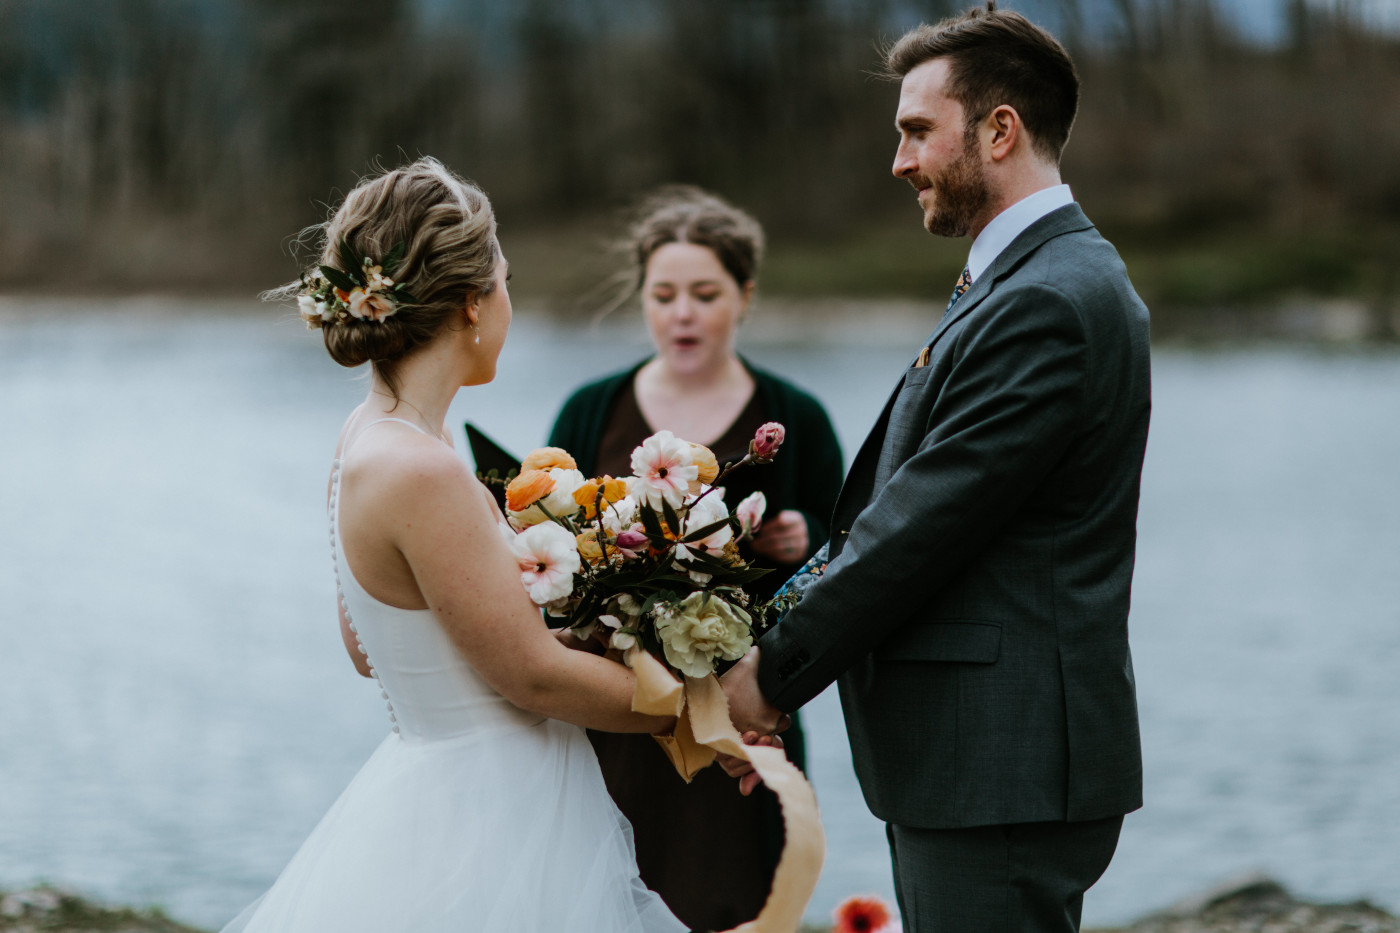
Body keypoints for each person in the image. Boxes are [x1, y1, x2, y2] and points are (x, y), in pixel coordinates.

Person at [721, 5, 1150, 932]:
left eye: (919, 131)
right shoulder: (1026, 280)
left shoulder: (1050, 301)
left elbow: (916, 527)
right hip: (980, 765)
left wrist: (764, 675)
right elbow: (890, 520)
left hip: (1000, 768)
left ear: (1001, 130)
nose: (900, 160)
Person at [224, 158, 686, 933]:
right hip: (491, 815)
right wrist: (692, 707)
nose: (511, 300)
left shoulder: (373, 436)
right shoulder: (420, 466)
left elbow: (367, 646)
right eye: (505, 280)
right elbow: (531, 679)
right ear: (473, 302)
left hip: (435, 783)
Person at [546, 186, 843, 930]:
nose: (683, 312)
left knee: (743, 906)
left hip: (744, 726)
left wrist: (803, 538)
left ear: (743, 295)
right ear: (642, 298)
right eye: (665, 293)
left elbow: (853, 559)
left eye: (705, 293)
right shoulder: (591, 409)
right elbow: (546, 551)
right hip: (615, 722)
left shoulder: (796, 415)